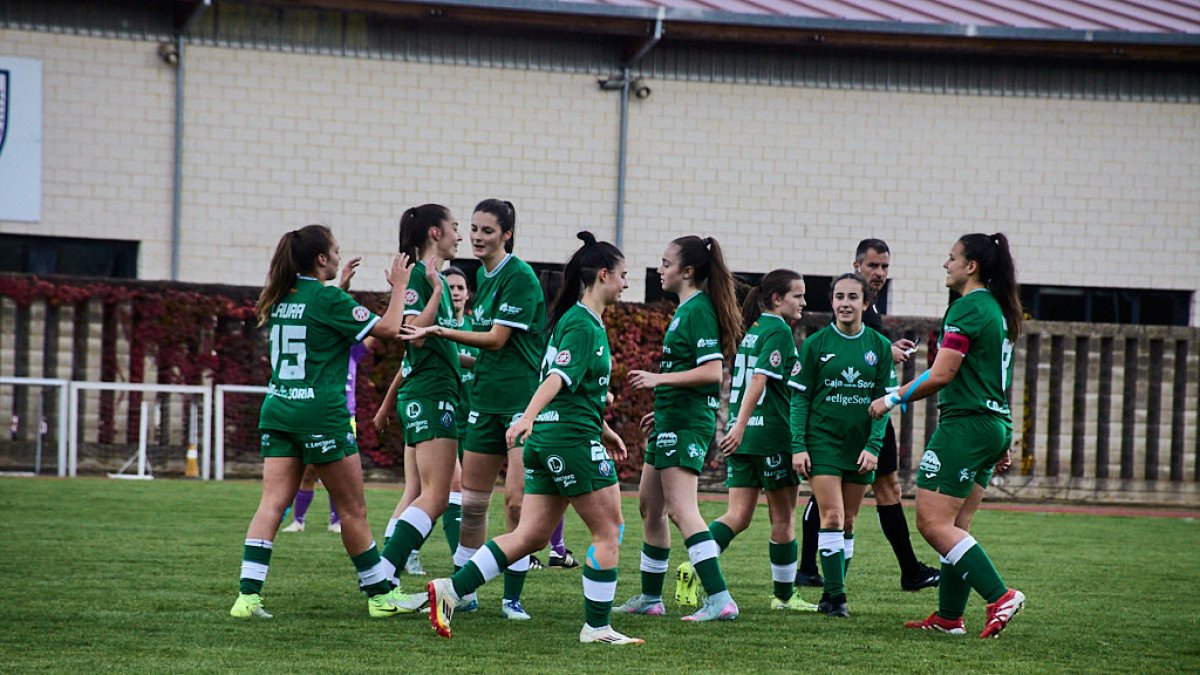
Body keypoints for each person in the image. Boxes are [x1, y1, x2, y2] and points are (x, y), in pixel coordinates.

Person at [428, 231, 644, 645]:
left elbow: (573, 388)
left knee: (531, 536)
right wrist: (526, 416)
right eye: (624, 275)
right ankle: (597, 627)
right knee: (609, 529)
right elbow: (557, 379)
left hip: (553, 437)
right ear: (603, 275)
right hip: (567, 439)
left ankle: (451, 589)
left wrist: (606, 428)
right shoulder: (582, 324)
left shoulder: (571, 321)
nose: (627, 283)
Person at [230, 224, 418, 620]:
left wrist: (342, 291)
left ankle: (247, 597)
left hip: (279, 409)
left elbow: (318, 330)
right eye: (335, 251)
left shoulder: (282, 297)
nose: (338, 256)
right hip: (321, 415)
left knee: (271, 503)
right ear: (321, 259)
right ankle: (381, 597)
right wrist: (400, 286)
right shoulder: (328, 298)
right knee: (353, 511)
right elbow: (388, 330)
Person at [868, 232, 1025, 639]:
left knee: (932, 523)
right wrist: (999, 440)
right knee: (957, 524)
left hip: (966, 426)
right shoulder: (995, 309)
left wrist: (892, 398)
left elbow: (942, 375)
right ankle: (950, 617)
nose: (945, 264)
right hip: (991, 423)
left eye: (951, 257)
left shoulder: (968, 309)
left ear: (971, 266)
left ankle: (999, 596)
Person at [401, 200, 546, 620]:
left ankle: (512, 598)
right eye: (474, 229)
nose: (477, 237)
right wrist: (445, 351)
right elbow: (484, 355)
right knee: (472, 503)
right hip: (483, 403)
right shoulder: (482, 274)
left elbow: (498, 340)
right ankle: (464, 591)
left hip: (520, 405)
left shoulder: (519, 276)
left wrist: (443, 332)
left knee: (517, 503)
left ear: (507, 235)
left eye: (487, 230)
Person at [797, 239, 940, 592]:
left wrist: (886, 353)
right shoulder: (835, 328)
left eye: (885, 267)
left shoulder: (871, 316)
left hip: (870, 419)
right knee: (832, 500)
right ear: (857, 267)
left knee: (851, 505)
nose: (880, 273)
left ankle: (827, 574)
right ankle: (813, 570)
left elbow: (872, 363)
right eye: (873, 266)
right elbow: (810, 387)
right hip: (840, 422)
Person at [618, 236, 743, 621]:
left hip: (687, 424)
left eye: (665, 262)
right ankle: (651, 598)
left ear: (687, 272)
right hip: (673, 418)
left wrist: (659, 382)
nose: (660, 268)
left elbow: (710, 373)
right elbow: (686, 372)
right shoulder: (686, 310)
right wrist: (665, 406)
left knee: (680, 509)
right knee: (650, 506)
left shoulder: (698, 310)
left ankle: (720, 598)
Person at [705, 269, 817, 612]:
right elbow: (759, 380)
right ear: (776, 299)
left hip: (745, 438)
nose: (804, 302)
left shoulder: (751, 332)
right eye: (797, 296)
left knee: (737, 515)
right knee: (783, 519)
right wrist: (738, 426)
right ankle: (784, 597)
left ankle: (696, 564)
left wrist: (738, 428)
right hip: (771, 436)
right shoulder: (779, 330)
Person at [790, 273, 895, 618]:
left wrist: (874, 446)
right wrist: (798, 446)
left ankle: (833, 594)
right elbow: (800, 399)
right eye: (839, 297)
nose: (845, 303)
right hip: (822, 443)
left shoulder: (879, 346)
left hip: (860, 446)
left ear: (865, 304)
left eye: (852, 297)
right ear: (832, 302)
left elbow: (884, 404)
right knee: (831, 515)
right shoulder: (816, 344)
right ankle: (836, 597)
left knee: (848, 521)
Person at [377, 204, 462, 593]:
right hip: (429, 393)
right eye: (456, 228)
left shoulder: (429, 276)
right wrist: (438, 291)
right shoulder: (420, 277)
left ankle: (384, 572)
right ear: (434, 233)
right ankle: (383, 576)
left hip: (433, 390)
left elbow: (437, 343)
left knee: (426, 493)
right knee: (435, 495)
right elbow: (410, 329)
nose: (460, 237)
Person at [281, 256, 376, 535]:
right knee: (309, 470)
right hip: (319, 412)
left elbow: (374, 333)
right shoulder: (320, 349)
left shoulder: (353, 353)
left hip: (345, 416)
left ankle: (336, 520)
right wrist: (342, 287)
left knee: (339, 473)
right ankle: (298, 521)